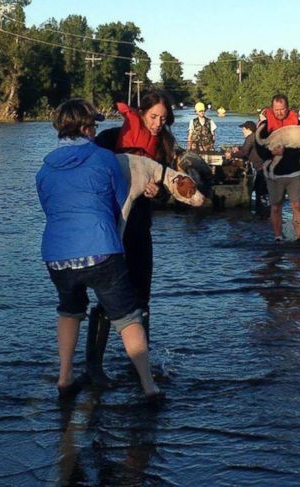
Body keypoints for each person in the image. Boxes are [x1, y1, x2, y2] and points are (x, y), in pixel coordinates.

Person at [36, 98, 161, 400]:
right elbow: (120, 203)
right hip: (100, 250)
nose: (95, 130)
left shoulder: (44, 169)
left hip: (57, 254)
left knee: (69, 311)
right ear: (85, 127)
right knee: (128, 317)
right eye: (93, 124)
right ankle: (148, 385)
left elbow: (50, 209)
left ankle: (65, 377)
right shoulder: (104, 158)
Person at [87, 90, 178, 387]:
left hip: (140, 226)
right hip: (107, 228)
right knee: (106, 296)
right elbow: (86, 170)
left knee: (142, 296)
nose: (157, 124)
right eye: (153, 117)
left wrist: (160, 192)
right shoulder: (111, 138)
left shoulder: (165, 144)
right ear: (141, 113)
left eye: (163, 119)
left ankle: (138, 362)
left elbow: (170, 185)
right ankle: (95, 367)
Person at [254, 94, 300, 241]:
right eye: (276, 109)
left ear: (288, 108)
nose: (279, 112)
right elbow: (259, 149)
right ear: (271, 109)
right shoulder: (265, 127)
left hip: (295, 173)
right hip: (274, 175)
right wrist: (271, 152)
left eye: (282, 109)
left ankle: (299, 237)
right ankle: (278, 237)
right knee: (276, 207)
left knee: (297, 205)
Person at [225, 120, 268, 208]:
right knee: (258, 188)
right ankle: (261, 210)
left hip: (261, 168)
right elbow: (247, 149)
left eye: (243, 129)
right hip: (263, 167)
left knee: (260, 190)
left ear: (248, 129)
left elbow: (244, 152)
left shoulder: (250, 138)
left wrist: (231, 155)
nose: (242, 131)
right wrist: (239, 148)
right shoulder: (254, 137)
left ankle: (262, 210)